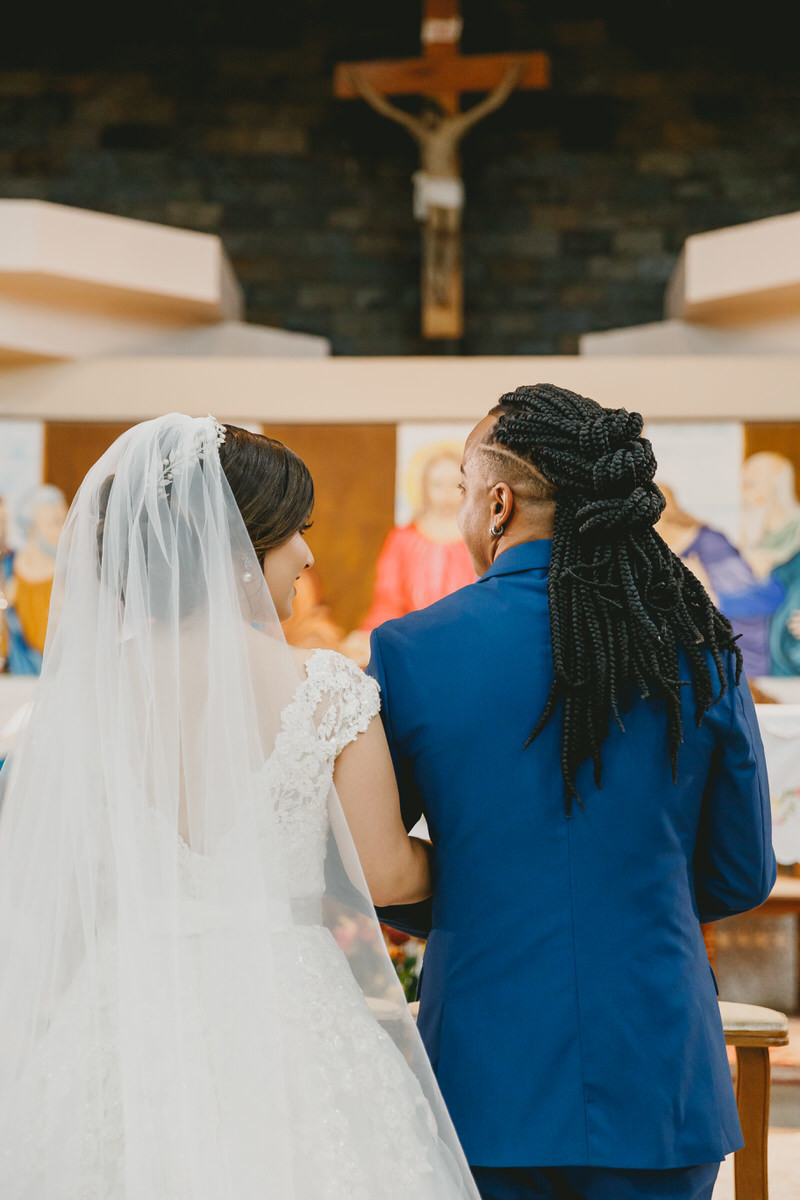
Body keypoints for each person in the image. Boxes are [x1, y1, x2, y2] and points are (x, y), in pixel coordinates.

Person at [0, 415, 479, 1199]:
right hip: (284, 1012)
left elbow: (57, 875)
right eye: (297, 532)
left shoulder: (83, 697)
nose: (309, 558)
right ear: (235, 545)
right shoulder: (325, 688)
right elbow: (386, 876)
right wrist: (483, 849)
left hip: (126, 1006)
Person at [368, 384, 775, 1200]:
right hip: (660, 1076)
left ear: (498, 503)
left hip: (486, 1074)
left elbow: (377, 864)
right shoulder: (699, 646)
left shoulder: (412, 650)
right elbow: (739, 873)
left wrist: (487, 899)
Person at [657, 482, 784, 678]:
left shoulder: (710, 544)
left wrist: (708, 594)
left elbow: (755, 602)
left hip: (734, 661)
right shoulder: (653, 550)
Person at [741, 451, 800, 675]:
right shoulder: (751, 530)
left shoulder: (796, 525)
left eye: (752, 484)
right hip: (757, 636)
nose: (745, 492)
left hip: (788, 637)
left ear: (775, 485)